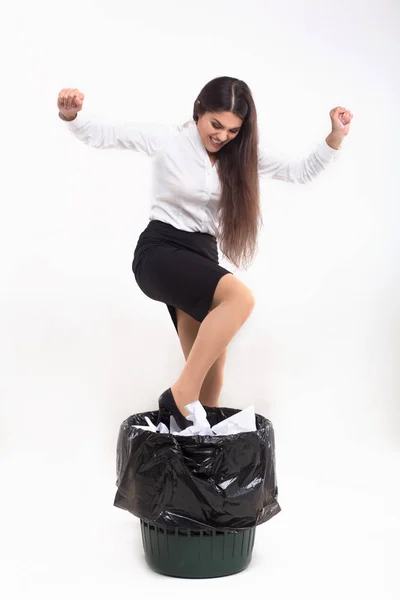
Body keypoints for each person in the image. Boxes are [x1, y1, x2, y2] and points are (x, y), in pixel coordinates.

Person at [57, 76, 353, 429]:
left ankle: (193, 453)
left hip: (201, 258)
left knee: (212, 381)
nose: (222, 136)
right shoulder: (168, 140)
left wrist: (334, 137)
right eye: (216, 124)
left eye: (232, 130)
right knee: (240, 300)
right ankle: (180, 394)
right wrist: (73, 115)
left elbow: (298, 171)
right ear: (199, 111)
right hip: (161, 251)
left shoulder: (240, 155)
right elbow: (108, 134)